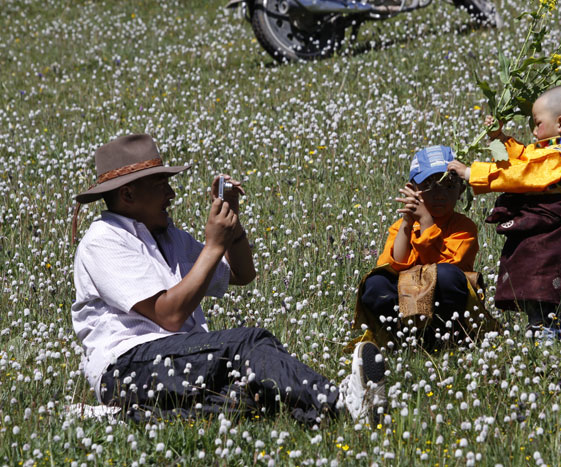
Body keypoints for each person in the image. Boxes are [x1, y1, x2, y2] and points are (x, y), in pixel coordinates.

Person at [71, 133, 386, 425]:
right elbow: (169, 315)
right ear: (127, 193)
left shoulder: (168, 237)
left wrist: (231, 226)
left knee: (251, 398)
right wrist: (214, 245)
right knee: (249, 344)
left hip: (173, 357)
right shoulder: (104, 240)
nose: (172, 193)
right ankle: (340, 403)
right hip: (127, 367)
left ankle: (123, 416)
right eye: (161, 185)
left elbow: (240, 274)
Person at [448, 85, 561, 340]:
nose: (533, 130)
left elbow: (524, 174)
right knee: (534, 283)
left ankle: (549, 337)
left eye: (538, 123)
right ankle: (540, 332)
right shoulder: (548, 149)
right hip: (540, 231)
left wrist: (473, 173)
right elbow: (524, 157)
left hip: (551, 236)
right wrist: (500, 137)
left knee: (545, 285)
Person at [352, 145, 499, 352]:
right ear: (412, 190)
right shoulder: (400, 227)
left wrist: (427, 222)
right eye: (430, 186)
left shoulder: (464, 227)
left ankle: (448, 338)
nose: (440, 195)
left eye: (449, 186)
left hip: (446, 311)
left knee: (446, 275)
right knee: (376, 283)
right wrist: (407, 223)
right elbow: (391, 266)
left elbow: (445, 269)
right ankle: (398, 337)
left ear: (461, 191)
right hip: (405, 306)